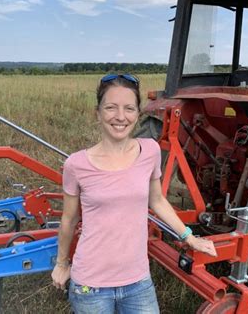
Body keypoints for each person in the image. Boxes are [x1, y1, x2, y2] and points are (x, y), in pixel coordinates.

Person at [51, 74, 217, 314]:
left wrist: (189, 237)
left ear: (138, 114)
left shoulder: (149, 151)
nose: (120, 116)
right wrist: (61, 263)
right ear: (97, 113)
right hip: (90, 286)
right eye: (111, 108)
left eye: (129, 108)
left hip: (138, 283)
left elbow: (157, 200)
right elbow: (69, 219)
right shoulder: (76, 164)